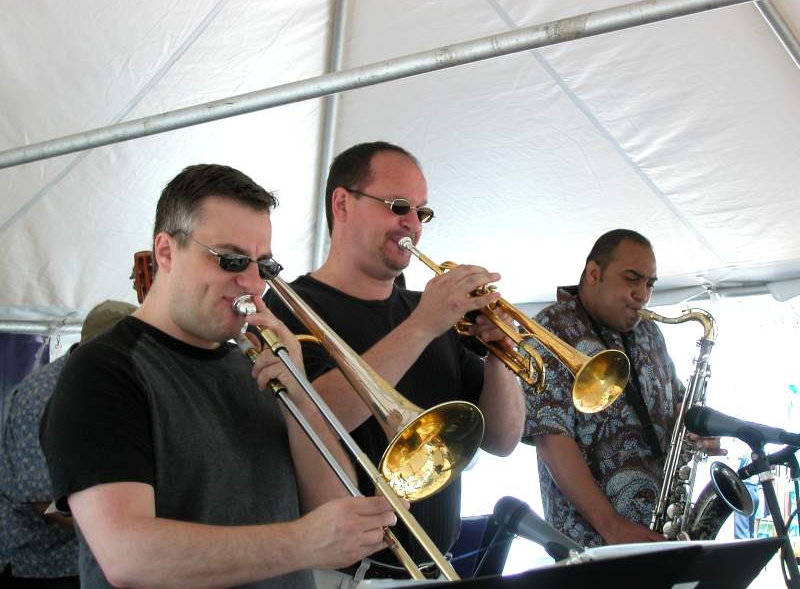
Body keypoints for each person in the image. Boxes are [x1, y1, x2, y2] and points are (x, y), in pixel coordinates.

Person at [40, 164, 396, 589]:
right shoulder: (104, 370)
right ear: (167, 252)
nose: (252, 284)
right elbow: (127, 554)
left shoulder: (257, 364)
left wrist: (301, 394)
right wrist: (302, 543)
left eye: (263, 265)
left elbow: (336, 505)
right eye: (231, 260)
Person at [266, 141, 525, 583]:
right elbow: (313, 415)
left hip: (435, 568)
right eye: (398, 206)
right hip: (344, 575)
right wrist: (422, 324)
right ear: (342, 204)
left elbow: (502, 440)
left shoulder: (434, 315)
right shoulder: (290, 307)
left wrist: (503, 355)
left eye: (421, 213)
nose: (412, 225)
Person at [523, 229, 722, 548]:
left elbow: (676, 407)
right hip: (592, 544)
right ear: (593, 273)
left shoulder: (650, 333)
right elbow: (550, 437)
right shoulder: (550, 329)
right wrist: (612, 525)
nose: (642, 294)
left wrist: (697, 432)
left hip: (661, 532)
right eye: (632, 278)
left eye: (649, 284)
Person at [1, 300, 136, 588]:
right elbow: (41, 499)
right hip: (43, 565)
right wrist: (126, 533)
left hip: (92, 557)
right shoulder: (41, 395)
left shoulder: (110, 386)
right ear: (96, 347)